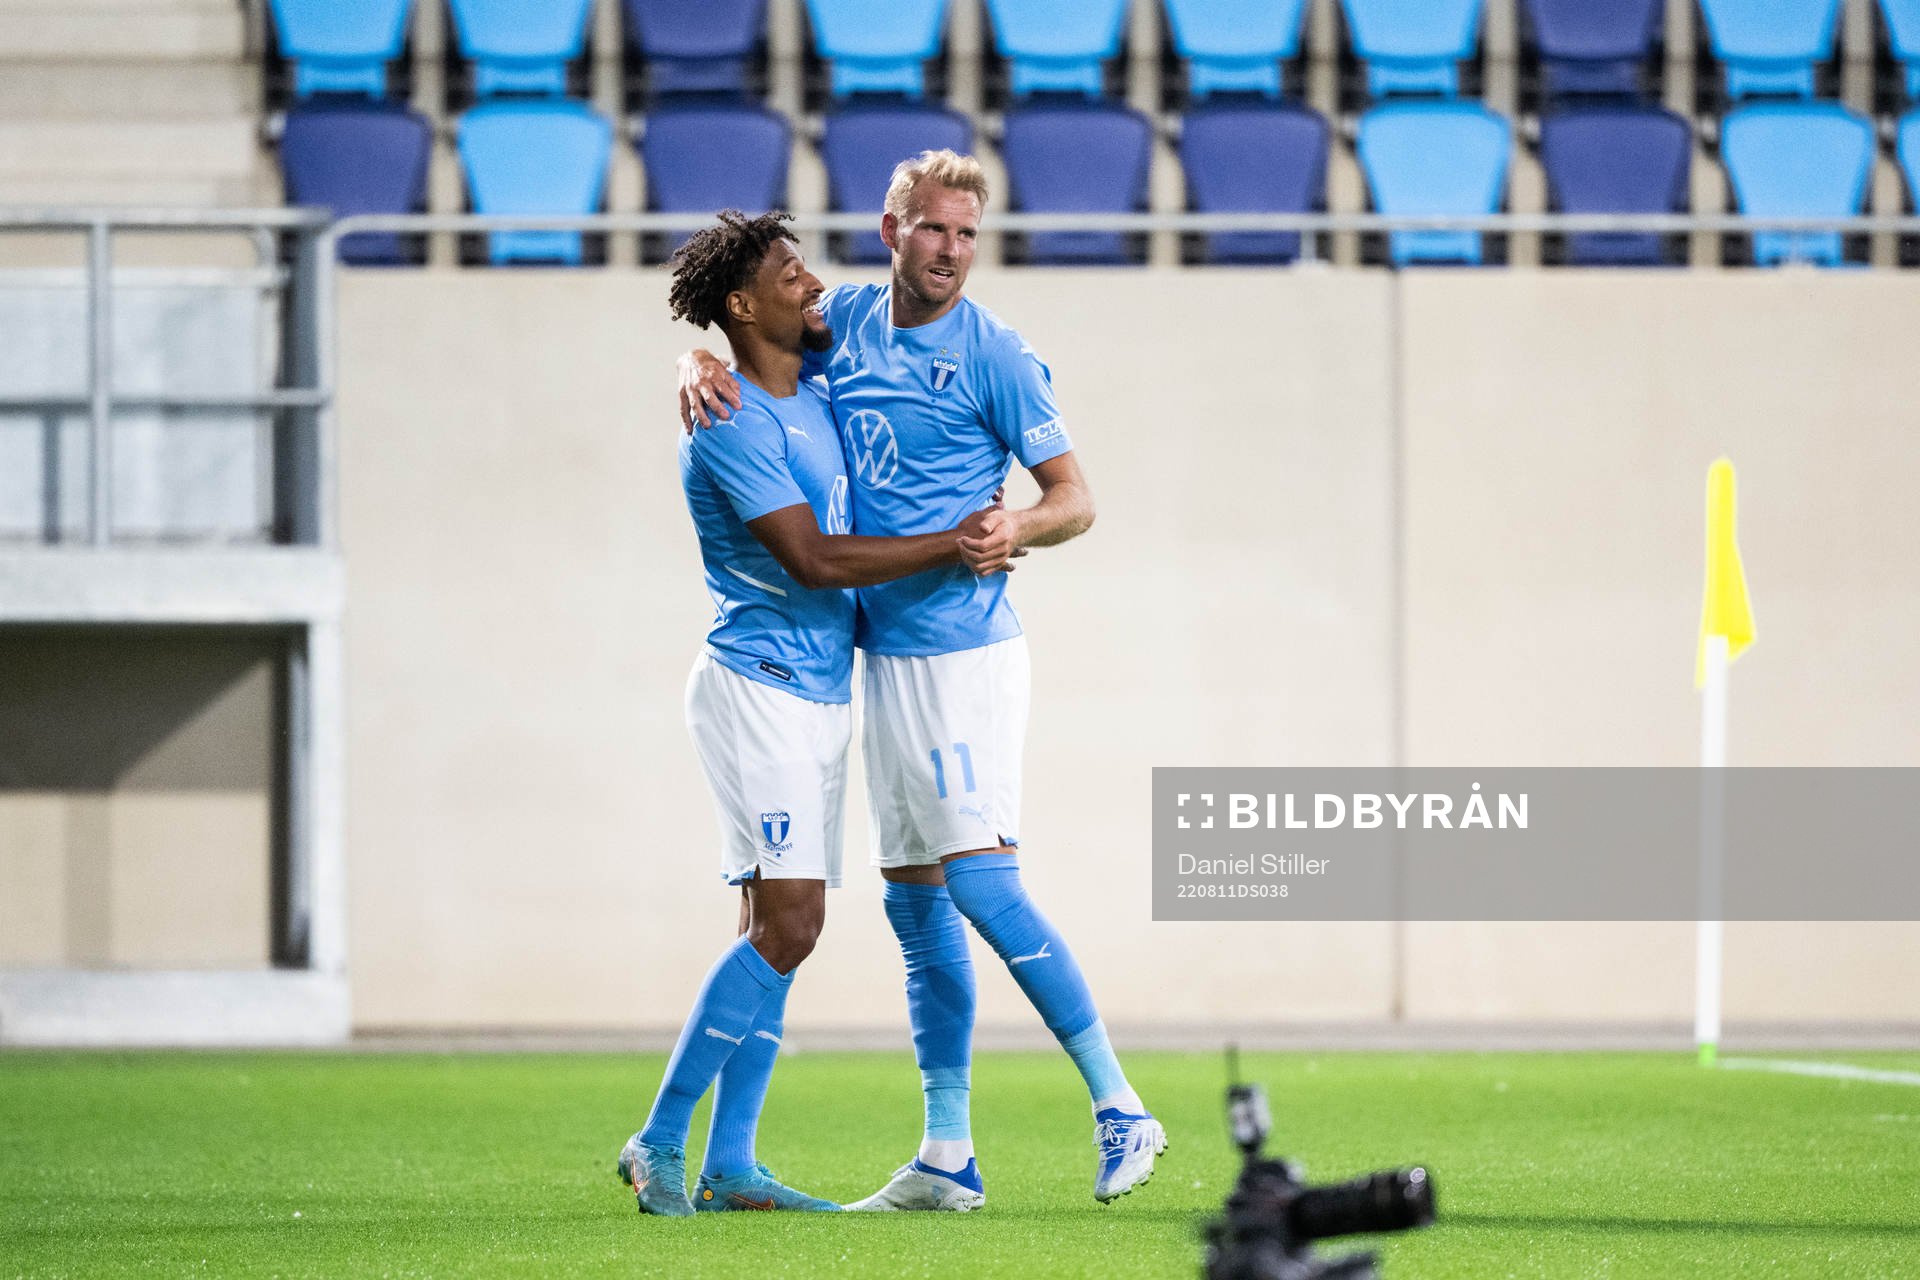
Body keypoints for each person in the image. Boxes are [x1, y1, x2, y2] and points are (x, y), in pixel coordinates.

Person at [677, 152, 1165, 1209]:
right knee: (916, 908)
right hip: (878, 657)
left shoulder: (997, 354)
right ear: (893, 228)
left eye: (968, 233)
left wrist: (1017, 523)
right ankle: (948, 1151)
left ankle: (1120, 1103)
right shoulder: (841, 324)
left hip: (965, 652)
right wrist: (688, 363)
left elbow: (1076, 497)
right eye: (934, 228)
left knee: (983, 880)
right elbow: (745, 343)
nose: (952, 250)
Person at [619, 209, 1012, 1217]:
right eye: (792, 275)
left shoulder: (816, 382)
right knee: (792, 922)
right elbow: (815, 560)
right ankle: (660, 1138)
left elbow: (883, 324)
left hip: (820, 689)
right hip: (760, 689)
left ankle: (734, 1163)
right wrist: (953, 539)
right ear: (744, 305)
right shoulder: (731, 421)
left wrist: (686, 352)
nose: (813, 285)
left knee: (771, 924)